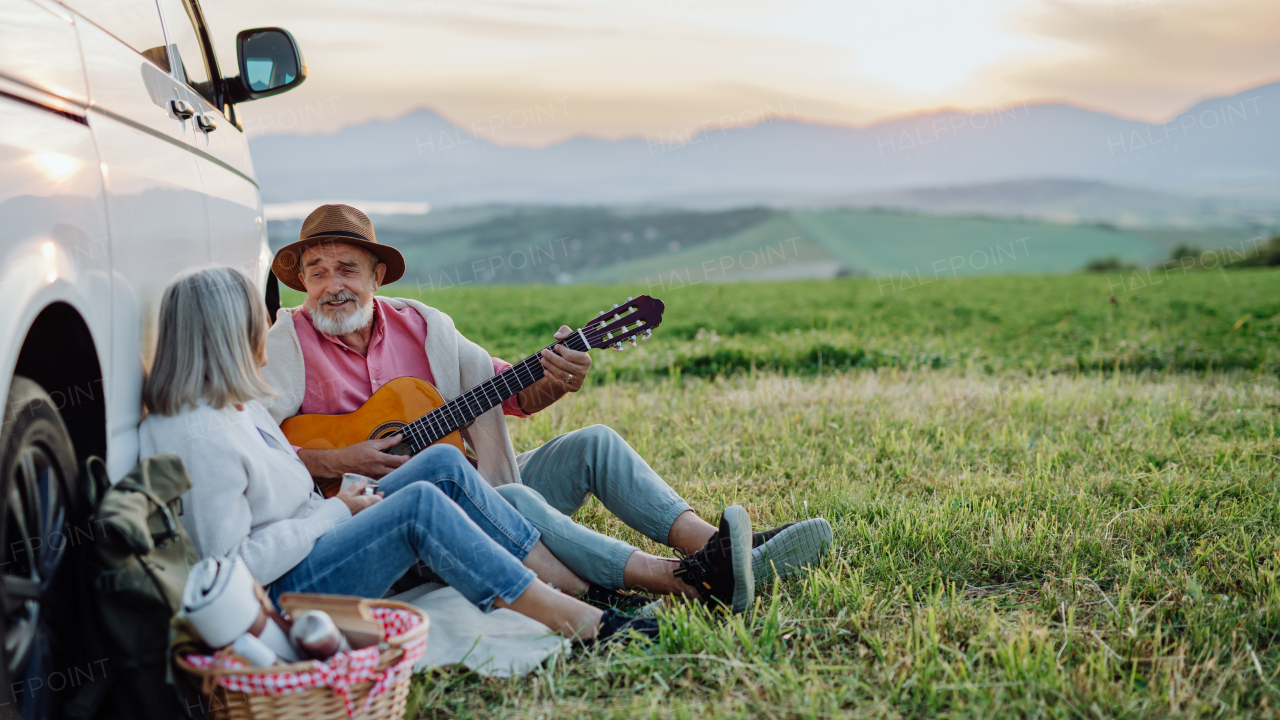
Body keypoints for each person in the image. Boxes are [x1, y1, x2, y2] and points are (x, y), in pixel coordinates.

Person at [259, 204, 831, 613]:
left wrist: (558, 376)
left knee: (595, 442)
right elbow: (252, 445)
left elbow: (509, 393)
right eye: (317, 272)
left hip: (473, 479)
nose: (331, 286)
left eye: (347, 269)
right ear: (302, 280)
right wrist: (334, 461)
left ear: (377, 275)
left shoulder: (425, 327)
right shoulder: (284, 345)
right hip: (387, 520)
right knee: (507, 497)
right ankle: (683, 579)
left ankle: (715, 548)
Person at [137, 266, 670, 644]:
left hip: (317, 537)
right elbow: (230, 569)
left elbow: (509, 390)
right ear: (226, 334)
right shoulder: (201, 437)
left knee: (441, 464)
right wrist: (334, 509)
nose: (267, 330)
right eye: (257, 321)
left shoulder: (237, 406)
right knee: (419, 505)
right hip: (282, 592)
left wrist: (340, 503)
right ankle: (585, 619)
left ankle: (587, 590)